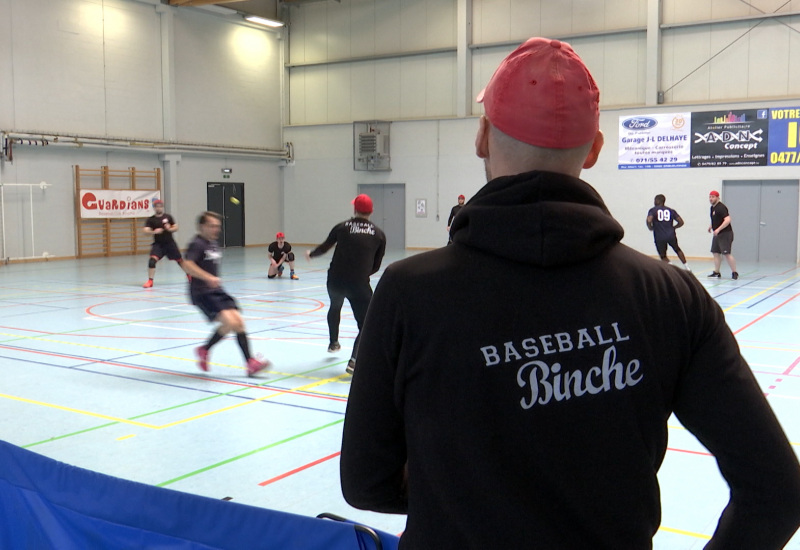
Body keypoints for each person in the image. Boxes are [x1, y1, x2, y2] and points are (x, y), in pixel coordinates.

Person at [340, 37, 800, 549]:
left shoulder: (408, 293)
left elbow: (366, 480)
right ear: (597, 148)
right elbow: (778, 490)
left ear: (482, 137)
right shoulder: (670, 296)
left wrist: (461, 492)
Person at [305, 194, 386, 374]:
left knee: (335, 306)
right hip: (358, 284)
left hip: (335, 280)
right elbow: (376, 265)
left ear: (354, 209)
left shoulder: (342, 228)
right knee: (366, 324)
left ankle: (333, 342)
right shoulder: (379, 234)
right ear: (371, 211)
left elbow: (325, 247)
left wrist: (311, 254)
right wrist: (361, 274)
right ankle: (354, 360)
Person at [182, 211, 269, 377]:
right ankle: (205, 350)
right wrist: (207, 277)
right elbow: (187, 265)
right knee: (230, 322)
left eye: (218, 227)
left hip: (216, 290)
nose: (216, 229)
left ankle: (249, 362)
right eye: (212, 226)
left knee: (238, 322)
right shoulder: (197, 244)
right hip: (201, 293)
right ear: (202, 226)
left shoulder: (213, 244)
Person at [142, 198, 187, 288]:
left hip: (170, 243)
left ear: (162, 207)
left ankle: (189, 275)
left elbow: (176, 227)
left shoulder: (168, 217)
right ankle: (150, 281)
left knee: (180, 260)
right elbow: (145, 230)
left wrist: (169, 228)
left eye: (160, 206)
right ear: (154, 208)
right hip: (158, 244)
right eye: (156, 207)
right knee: (152, 261)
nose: (158, 208)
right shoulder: (151, 220)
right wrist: (154, 232)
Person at [646, 194, 690, 270]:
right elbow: (681, 222)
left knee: (663, 255)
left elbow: (649, 220)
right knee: (677, 249)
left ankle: (672, 266)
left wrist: (650, 227)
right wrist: (674, 227)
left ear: (658, 200)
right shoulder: (671, 210)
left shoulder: (653, 210)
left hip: (659, 235)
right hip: (671, 234)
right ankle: (687, 267)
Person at [708, 190, 738, 280]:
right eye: (710, 197)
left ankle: (734, 272)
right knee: (715, 252)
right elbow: (715, 219)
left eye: (713, 197)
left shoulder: (721, 207)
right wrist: (711, 226)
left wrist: (718, 229)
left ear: (717, 198)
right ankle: (716, 272)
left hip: (725, 234)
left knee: (726, 254)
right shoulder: (712, 208)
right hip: (717, 234)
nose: (711, 198)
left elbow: (727, 220)